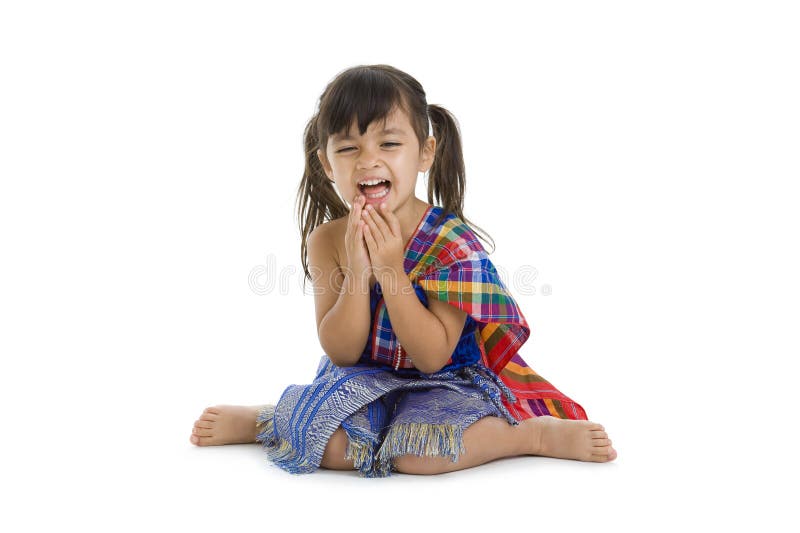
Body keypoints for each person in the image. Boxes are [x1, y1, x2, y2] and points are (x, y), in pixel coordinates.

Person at [189, 64, 617, 476]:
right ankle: (267, 418)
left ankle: (530, 436)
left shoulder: (450, 243)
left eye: (388, 144)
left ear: (424, 153)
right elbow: (341, 352)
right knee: (332, 445)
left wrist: (391, 270)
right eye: (348, 147)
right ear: (326, 163)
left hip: (449, 381)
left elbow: (432, 357)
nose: (367, 160)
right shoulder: (327, 241)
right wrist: (358, 273)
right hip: (365, 376)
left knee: (420, 455)